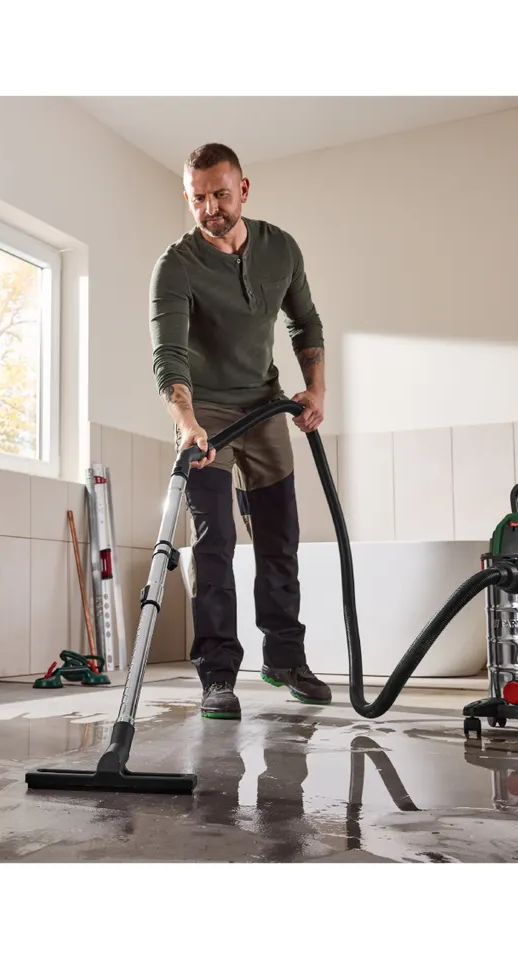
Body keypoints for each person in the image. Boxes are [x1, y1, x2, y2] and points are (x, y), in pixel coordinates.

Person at [149, 142, 333, 720]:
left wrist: (315, 390)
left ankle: (284, 660)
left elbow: (305, 320)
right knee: (215, 544)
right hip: (208, 419)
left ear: (244, 190)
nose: (210, 208)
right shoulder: (175, 265)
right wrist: (186, 423)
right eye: (198, 198)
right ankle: (218, 676)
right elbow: (169, 356)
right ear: (188, 196)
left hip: (266, 406)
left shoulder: (280, 248)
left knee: (280, 536)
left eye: (220, 194)